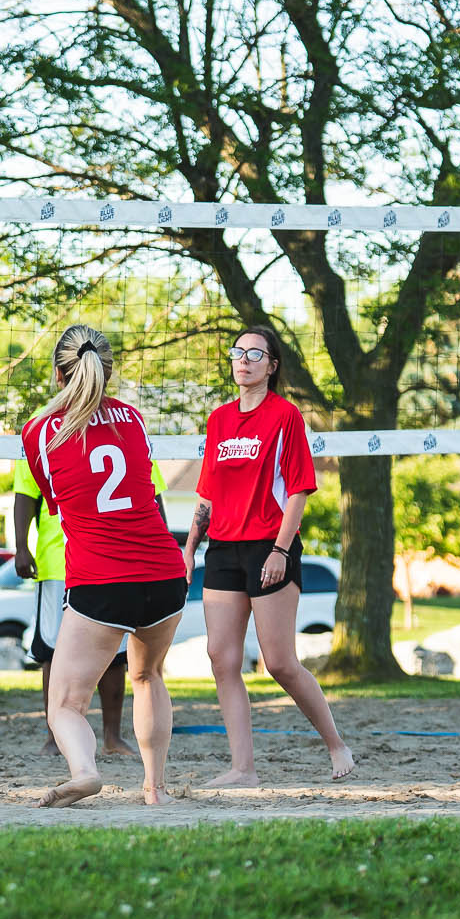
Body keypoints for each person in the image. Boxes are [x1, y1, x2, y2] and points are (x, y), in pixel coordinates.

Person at [21, 324, 187, 808]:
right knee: (148, 677)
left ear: (58, 374)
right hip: (164, 571)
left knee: (67, 704)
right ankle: (155, 788)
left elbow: (58, 503)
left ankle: (86, 772)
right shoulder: (133, 420)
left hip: (102, 579)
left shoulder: (40, 432)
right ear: (108, 373)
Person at [184, 328, 354, 786]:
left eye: (255, 354)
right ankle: (243, 769)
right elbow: (208, 493)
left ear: (271, 366)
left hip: (268, 545)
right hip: (222, 547)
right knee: (221, 656)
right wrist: (189, 547)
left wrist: (282, 548)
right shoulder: (218, 419)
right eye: (238, 353)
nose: (244, 360)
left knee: (279, 662)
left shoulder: (285, 416)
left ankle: (337, 746)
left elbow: (298, 489)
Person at [11, 451, 141, 758]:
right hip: (58, 561)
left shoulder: (122, 423)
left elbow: (149, 492)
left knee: (115, 652)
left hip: (111, 558)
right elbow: (25, 493)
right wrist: (21, 547)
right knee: (52, 652)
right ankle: (55, 736)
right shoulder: (42, 427)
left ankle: (112, 736)